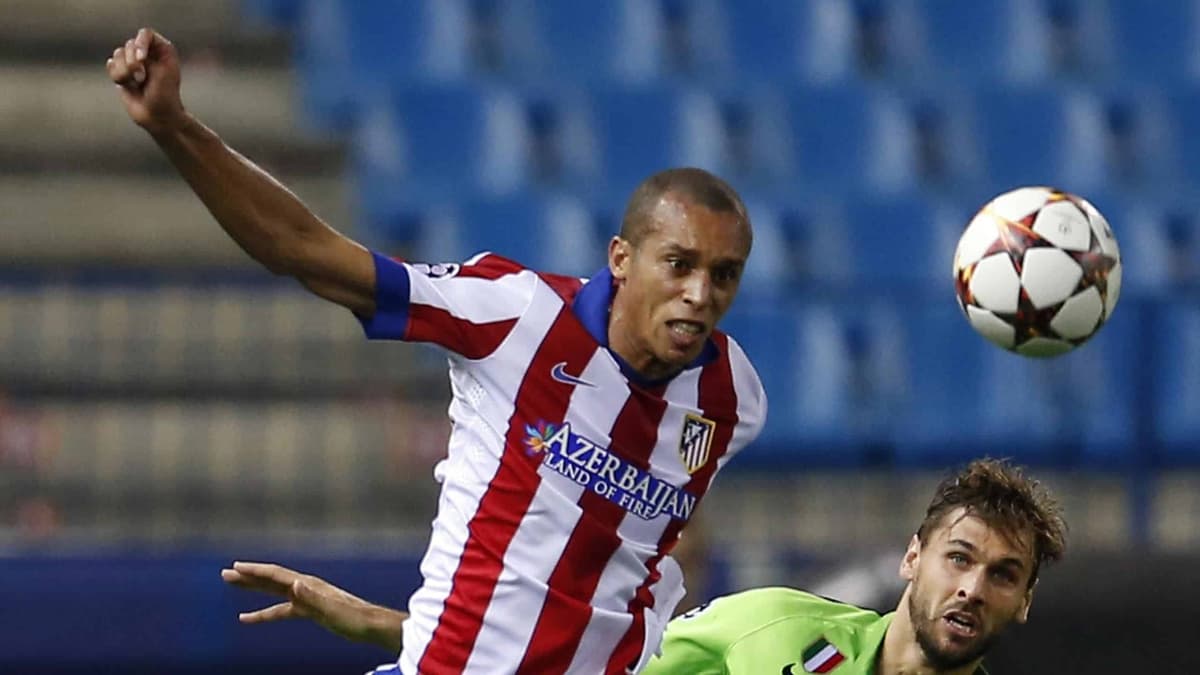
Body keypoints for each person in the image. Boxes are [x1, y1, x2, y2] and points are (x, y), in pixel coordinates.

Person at [108, 28, 766, 674]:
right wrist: (175, 127)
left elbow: (608, 567)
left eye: (724, 274)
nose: (700, 293)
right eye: (678, 264)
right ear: (621, 258)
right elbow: (304, 249)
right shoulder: (517, 315)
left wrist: (384, 622)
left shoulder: (734, 396)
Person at [224, 458, 1066, 675]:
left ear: (1023, 603)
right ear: (913, 558)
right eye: (959, 557)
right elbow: (572, 661)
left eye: (1002, 574)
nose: (972, 586)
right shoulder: (774, 626)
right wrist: (379, 622)